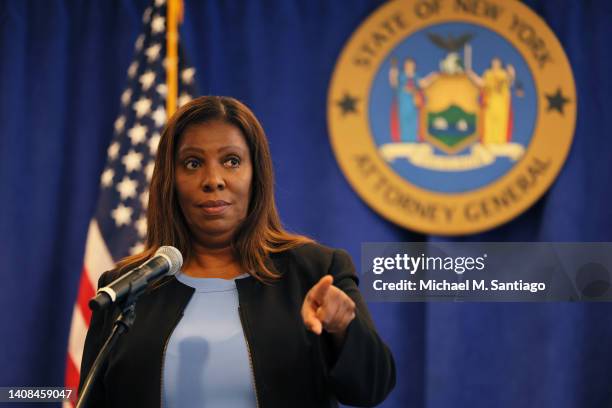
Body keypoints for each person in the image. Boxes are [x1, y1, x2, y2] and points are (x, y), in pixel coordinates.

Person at [79, 96, 396, 407]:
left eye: (231, 161)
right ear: (169, 180)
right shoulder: (127, 286)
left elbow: (371, 388)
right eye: (193, 163)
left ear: (256, 174)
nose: (213, 180)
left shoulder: (316, 271)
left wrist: (342, 329)